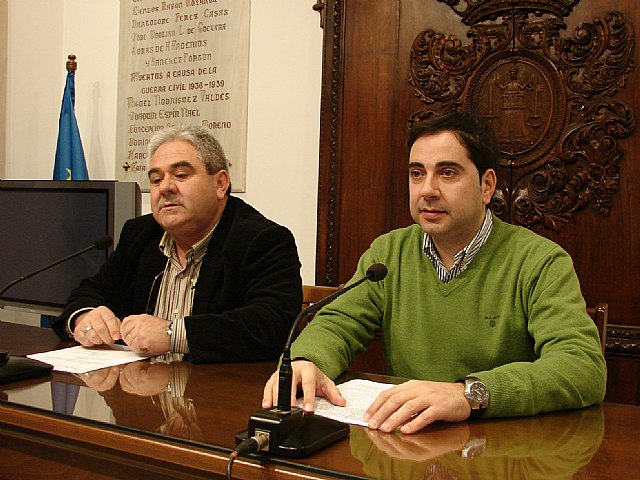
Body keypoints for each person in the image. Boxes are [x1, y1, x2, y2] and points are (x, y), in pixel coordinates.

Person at [262, 111, 606, 434]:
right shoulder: (389, 253)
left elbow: (581, 367)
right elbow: (338, 323)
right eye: (417, 173)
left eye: (448, 173)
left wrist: (467, 394)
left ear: (487, 185)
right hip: (407, 442)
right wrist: (307, 360)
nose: (427, 190)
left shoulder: (539, 261)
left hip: (500, 448)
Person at [53, 125, 303, 363]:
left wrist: (174, 334)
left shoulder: (262, 240)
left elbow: (273, 324)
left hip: (214, 389)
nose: (165, 187)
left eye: (181, 175)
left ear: (220, 183)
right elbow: (93, 290)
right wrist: (84, 316)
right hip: (140, 386)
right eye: (156, 179)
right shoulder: (139, 234)